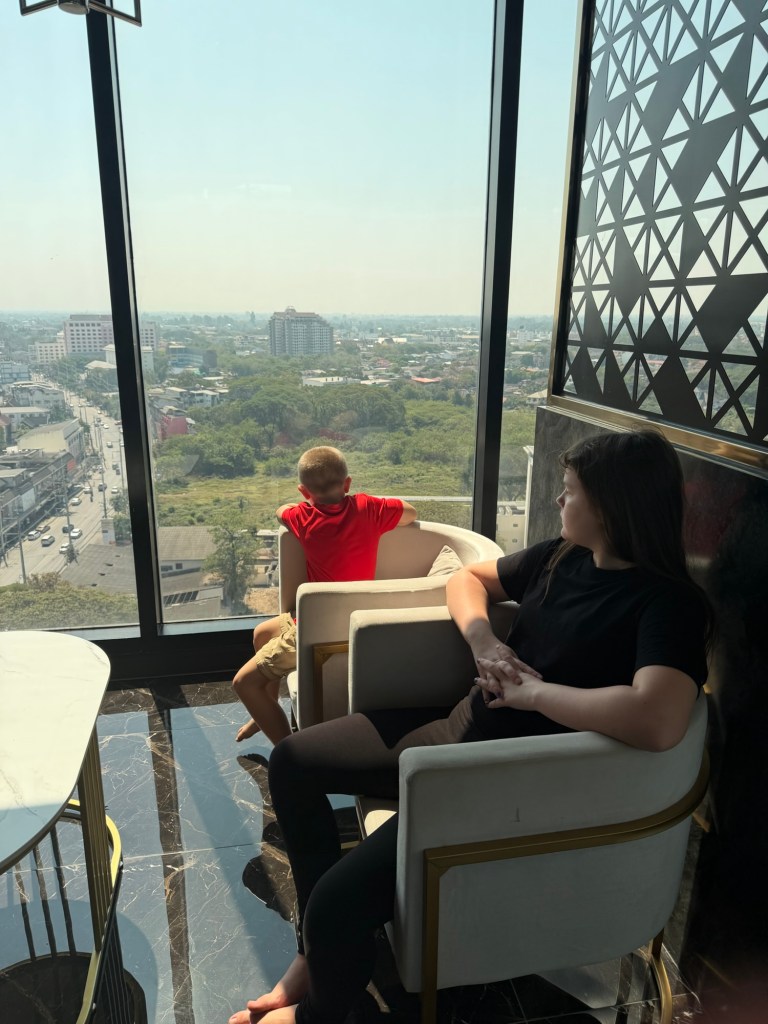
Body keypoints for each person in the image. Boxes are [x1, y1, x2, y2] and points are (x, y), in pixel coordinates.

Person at [227, 429, 712, 1024]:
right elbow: (468, 580)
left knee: (336, 903)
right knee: (292, 762)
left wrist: (535, 695)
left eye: (569, 491)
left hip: (498, 781)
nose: (558, 501)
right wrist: (483, 640)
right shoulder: (561, 557)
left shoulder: (667, 605)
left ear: (612, 507)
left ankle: (318, 1012)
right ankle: (316, 952)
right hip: (458, 729)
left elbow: (658, 718)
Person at [233, 445, 417, 745]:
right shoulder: (369, 508)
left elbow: (280, 512)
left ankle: (291, 753)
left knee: (243, 683)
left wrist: (299, 503)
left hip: (319, 630)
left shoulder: (302, 517)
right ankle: (264, 712)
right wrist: (368, 502)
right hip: (347, 620)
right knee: (262, 634)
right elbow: (410, 513)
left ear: (304, 492)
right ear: (348, 483)